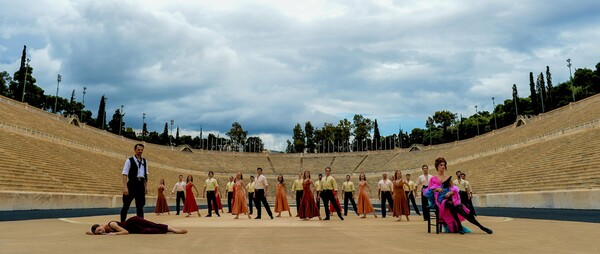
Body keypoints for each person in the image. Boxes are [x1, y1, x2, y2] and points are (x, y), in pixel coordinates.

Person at [424, 158, 492, 234]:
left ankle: (482, 227)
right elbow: (428, 192)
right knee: (450, 204)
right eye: (441, 165)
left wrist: (450, 193)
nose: (443, 166)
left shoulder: (448, 178)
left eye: (444, 165)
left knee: (462, 210)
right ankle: (459, 225)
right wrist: (436, 189)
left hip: (449, 199)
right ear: (437, 166)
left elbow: (455, 190)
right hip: (439, 200)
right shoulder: (433, 178)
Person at [120, 144, 148, 223]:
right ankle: (122, 223)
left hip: (141, 184)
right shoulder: (129, 160)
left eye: (141, 150)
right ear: (135, 150)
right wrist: (125, 187)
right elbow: (125, 174)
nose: (140, 151)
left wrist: (145, 187)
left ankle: (141, 224)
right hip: (132, 183)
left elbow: (145, 175)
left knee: (140, 206)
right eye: (138, 150)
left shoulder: (145, 161)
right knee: (126, 205)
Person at [87, 216, 187, 235]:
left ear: (100, 225)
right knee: (149, 231)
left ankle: (175, 230)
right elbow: (90, 232)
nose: (101, 232)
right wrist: (92, 233)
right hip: (134, 228)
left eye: (99, 230)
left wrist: (115, 234)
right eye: (98, 233)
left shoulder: (111, 224)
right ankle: (168, 230)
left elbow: (126, 232)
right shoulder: (104, 230)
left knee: (153, 225)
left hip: (133, 222)